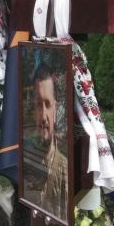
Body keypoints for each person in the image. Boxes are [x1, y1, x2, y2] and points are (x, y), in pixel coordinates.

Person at [34, 72, 68, 218]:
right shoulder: (26, 160)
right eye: (38, 105)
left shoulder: (65, 171)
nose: (43, 116)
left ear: (56, 108)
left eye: (47, 104)